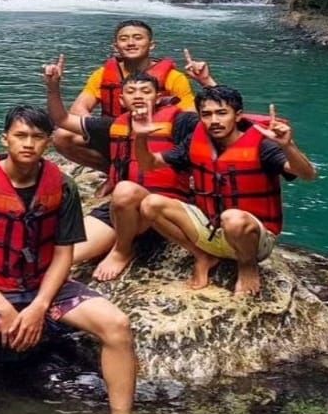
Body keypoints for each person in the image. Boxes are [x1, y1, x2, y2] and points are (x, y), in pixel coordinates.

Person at [0, 105, 165, 414]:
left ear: (48, 143)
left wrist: (39, 305)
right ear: (5, 139)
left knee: (116, 325)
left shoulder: (63, 186)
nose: (28, 144)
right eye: (20, 136)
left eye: (37, 137)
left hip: (45, 283)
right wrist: (6, 311)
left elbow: (63, 253)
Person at [131, 86, 318, 296]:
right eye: (207, 114)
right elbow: (149, 165)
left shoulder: (263, 146)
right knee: (150, 204)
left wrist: (288, 145)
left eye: (222, 113)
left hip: (252, 239)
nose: (214, 121)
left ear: (237, 116)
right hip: (211, 230)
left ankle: (247, 267)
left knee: (233, 218)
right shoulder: (194, 141)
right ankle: (203, 256)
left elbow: (308, 175)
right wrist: (140, 137)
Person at [44, 54, 211, 280]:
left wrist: (206, 82)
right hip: (125, 212)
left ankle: (122, 250)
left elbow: (220, 121)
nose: (139, 96)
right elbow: (63, 120)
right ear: (121, 100)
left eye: (146, 91)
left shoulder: (181, 121)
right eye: (131, 92)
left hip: (167, 209)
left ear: (159, 96)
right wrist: (53, 87)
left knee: (124, 189)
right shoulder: (116, 124)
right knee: (60, 257)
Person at [51, 20, 208, 171]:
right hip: (115, 133)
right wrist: (103, 129)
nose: (131, 43)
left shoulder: (173, 77)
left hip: (156, 137)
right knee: (62, 136)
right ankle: (113, 172)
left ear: (151, 45)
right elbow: (79, 108)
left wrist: (205, 81)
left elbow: (192, 116)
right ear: (116, 46)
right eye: (124, 39)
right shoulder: (102, 74)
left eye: (138, 38)